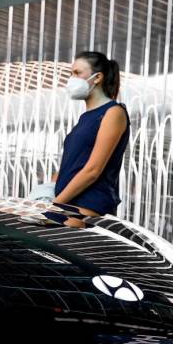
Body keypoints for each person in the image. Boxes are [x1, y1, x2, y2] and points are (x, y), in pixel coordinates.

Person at [53, 51, 130, 226]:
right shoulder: (85, 118)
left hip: (85, 208)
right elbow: (74, 164)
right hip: (67, 205)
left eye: (77, 73)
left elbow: (93, 170)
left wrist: (55, 204)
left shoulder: (113, 113)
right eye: (71, 73)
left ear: (97, 78)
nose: (72, 79)